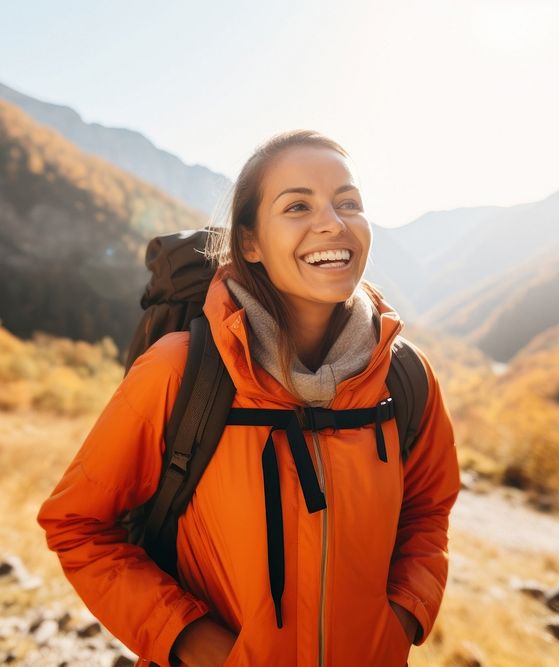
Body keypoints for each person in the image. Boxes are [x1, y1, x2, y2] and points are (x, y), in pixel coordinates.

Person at [36, 130, 462, 666]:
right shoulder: (179, 369)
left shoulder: (404, 377)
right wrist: (192, 641)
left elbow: (428, 511)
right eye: (298, 205)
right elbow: (77, 525)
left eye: (348, 202)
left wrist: (400, 619)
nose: (332, 221)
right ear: (251, 242)